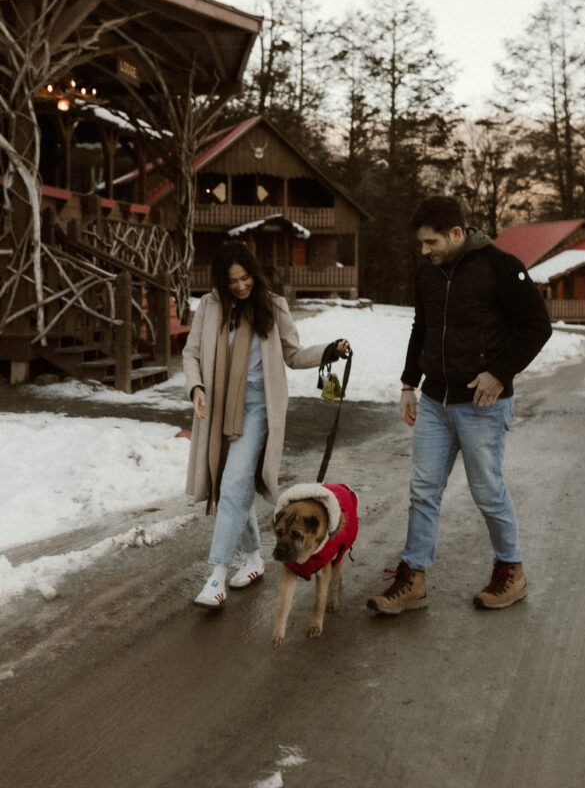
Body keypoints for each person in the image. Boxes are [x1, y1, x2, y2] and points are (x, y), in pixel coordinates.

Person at [367, 196, 552, 614]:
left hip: (482, 404)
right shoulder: (428, 273)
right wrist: (409, 383)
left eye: (430, 242)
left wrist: (499, 372)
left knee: (487, 491)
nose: (424, 250)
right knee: (423, 490)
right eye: (421, 243)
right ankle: (413, 578)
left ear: (456, 233)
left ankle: (512, 571)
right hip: (435, 400)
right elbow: (422, 327)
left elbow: (537, 327)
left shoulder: (501, 267)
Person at [183, 242, 349, 608]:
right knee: (230, 482)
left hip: (258, 405)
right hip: (218, 404)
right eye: (232, 281)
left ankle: (217, 576)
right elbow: (191, 353)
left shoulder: (272, 305)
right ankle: (254, 557)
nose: (241, 286)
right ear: (221, 281)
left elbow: (293, 354)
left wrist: (328, 351)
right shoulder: (210, 306)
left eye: (245, 278)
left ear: (254, 275)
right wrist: (196, 387)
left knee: (234, 482)